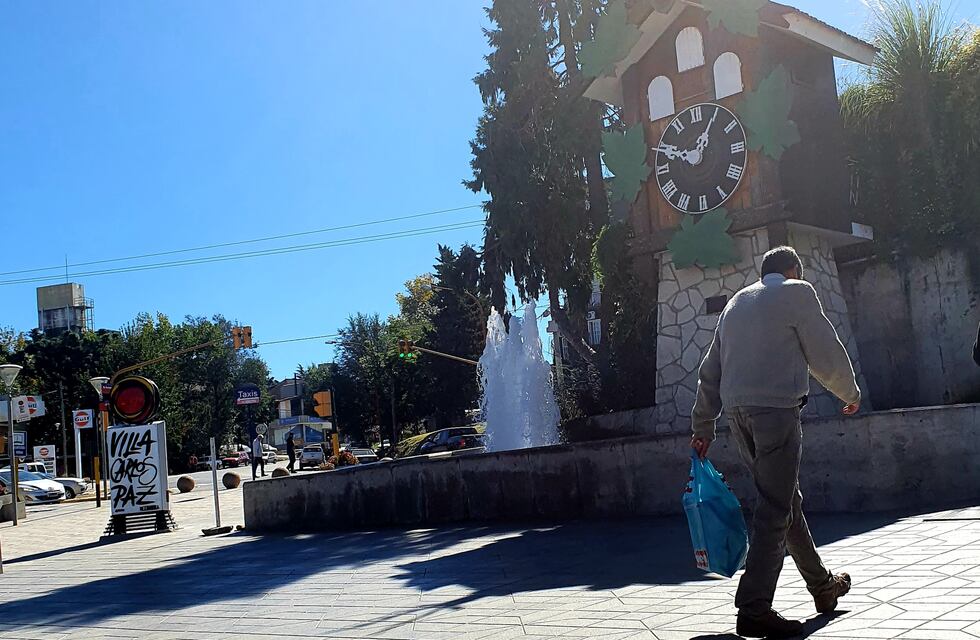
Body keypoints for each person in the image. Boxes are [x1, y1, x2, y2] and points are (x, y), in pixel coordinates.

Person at [691, 246, 860, 639]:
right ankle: (753, 607)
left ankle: (823, 588)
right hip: (775, 413)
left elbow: (709, 371)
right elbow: (824, 349)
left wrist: (703, 426)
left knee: (784, 501)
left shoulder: (735, 303)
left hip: (737, 416)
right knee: (775, 507)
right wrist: (848, 393)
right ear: (793, 270)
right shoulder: (797, 292)